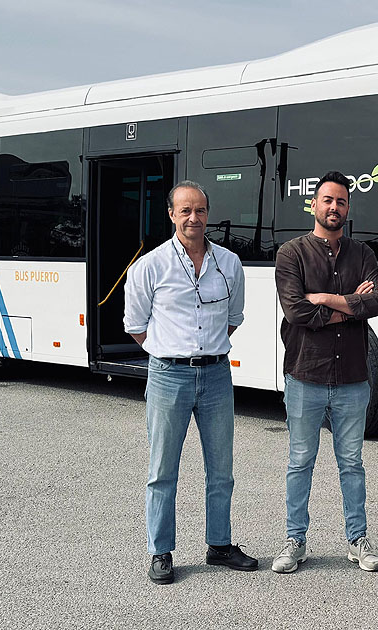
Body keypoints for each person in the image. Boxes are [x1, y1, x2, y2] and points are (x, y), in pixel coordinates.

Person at [123, 180, 257, 584]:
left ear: (208, 213)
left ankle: (219, 545)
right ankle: (160, 552)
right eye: (184, 211)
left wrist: (206, 351)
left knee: (222, 469)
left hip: (216, 374)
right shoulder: (150, 266)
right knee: (162, 470)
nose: (193, 218)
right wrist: (170, 351)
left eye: (199, 210)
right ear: (171, 215)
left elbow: (233, 318)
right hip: (168, 376)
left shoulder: (229, 263)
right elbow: (135, 326)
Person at [271, 171, 378, 573]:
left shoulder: (363, 254)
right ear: (315, 205)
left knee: (351, 463)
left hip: (353, 378)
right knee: (300, 461)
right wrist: (350, 303)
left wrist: (325, 298)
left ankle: (357, 540)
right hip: (305, 374)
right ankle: (294, 541)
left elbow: (376, 307)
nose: (333, 207)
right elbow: (296, 311)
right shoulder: (291, 254)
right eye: (327, 201)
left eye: (340, 201)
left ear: (348, 208)